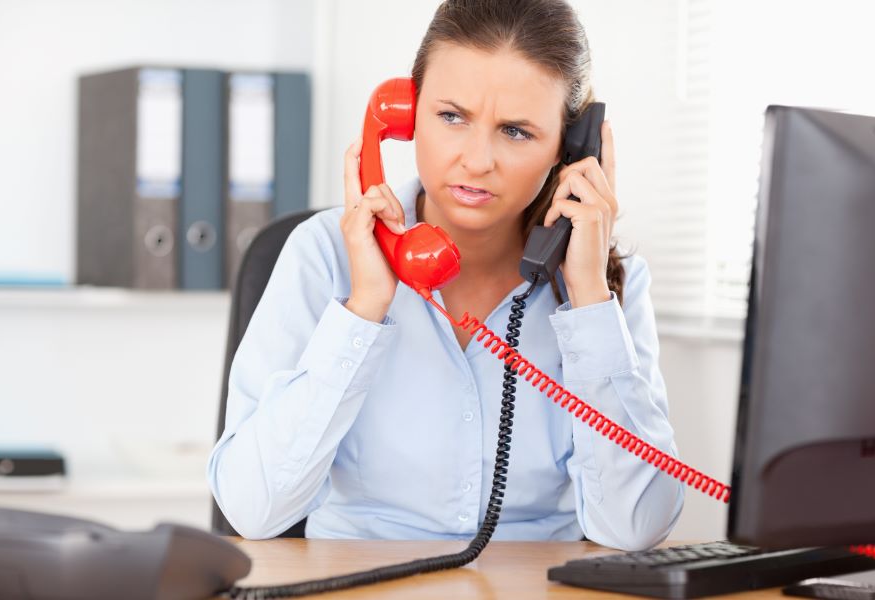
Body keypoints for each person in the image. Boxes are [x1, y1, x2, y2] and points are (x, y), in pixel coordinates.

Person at [207, 0, 684, 550]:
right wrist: (363, 310)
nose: (477, 159)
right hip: (358, 579)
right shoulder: (323, 255)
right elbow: (251, 510)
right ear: (406, 115)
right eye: (451, 116)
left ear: (571, 147)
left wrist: (589, 302)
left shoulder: (605, 283)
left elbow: (636, 529)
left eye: (516, 131)